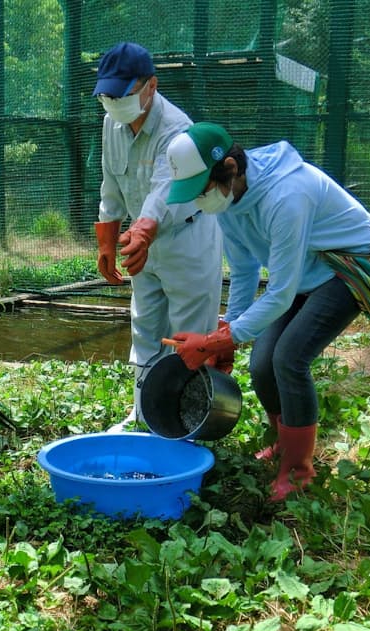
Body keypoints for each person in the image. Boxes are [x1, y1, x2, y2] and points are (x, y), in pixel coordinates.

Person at [165, 122, 370, 501]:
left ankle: (299, 470)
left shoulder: (287, 196)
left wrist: (213, 340)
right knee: (261, 363)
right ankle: (284, 444)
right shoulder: (228, 202)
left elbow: (281, 294)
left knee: (289, 358)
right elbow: (244, 271)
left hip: (345, 270)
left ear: (231, 171)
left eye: (200, 190)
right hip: (305, 272)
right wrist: (228, 331)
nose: (197, 202)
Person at [91, 42, 224, 429]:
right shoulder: (110, 123)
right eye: (106, 94)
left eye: (122, 93)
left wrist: (144, 230)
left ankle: (188, 420)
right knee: (145, 328)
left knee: (189, 336)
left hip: (186, 240)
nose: (114, 102)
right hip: (139, 242)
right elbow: (111, 184)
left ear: (151, 86)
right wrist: (106, 241)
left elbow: (164, 190)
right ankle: (145, 411)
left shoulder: (176, 129)